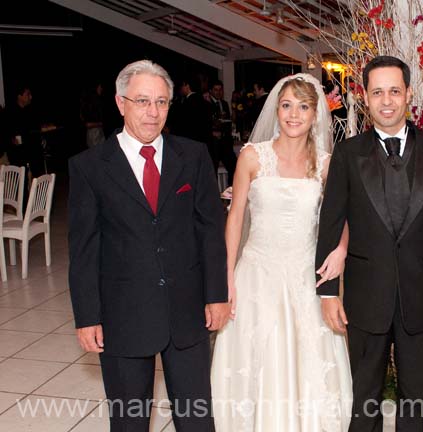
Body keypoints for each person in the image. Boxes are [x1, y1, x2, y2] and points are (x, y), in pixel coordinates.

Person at [68, 60, 229, 431]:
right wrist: (87, 316)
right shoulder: (90, 166)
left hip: (188, 310)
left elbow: (209, 231)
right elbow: (84, 249)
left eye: (161, 102)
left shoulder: (193, 156)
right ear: (121, 102)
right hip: (123, 312)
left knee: (196, 419)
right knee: (129, 421)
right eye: (142, 101)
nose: (152, 112)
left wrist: (216, 294)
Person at [315, 55, 423, 430]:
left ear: (409, 93)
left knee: (416, 397)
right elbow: (330, 223)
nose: (386, 100)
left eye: (394, 91)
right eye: (377, 92)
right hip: (366, 296)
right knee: (365, 396)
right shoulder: (348, 154)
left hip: (422, 293)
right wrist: (328, 292)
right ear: (365, 96)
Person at [210, 73, 353, 431]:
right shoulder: (251, 157)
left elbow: (343, 219)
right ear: (277, 110)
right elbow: (235, 219)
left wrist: (342, 250)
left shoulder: (325, 164)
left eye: (303, 107)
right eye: (287, 105)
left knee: (307, 359)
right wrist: (225, 278)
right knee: (259, 357)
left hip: (306, 276)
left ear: (315, 113)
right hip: (257, 274)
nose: (293, 114)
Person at [206, 80, 237, 185]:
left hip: (225, 142)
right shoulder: (207, 103)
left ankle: (231, 191)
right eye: (216, 90)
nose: (218, 92)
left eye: (220, 90)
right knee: (212, 170)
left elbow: (227, 122)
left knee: (234, 166)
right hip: (214, 143)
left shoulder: (224, 103)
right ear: (210, 91)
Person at [80, 81, 106, 148]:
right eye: (100, 87)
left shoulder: (90, 102)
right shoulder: (92, 103)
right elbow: (88, 124)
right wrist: (102, 124)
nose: (101, 89)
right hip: (95, 133)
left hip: (94, 132)